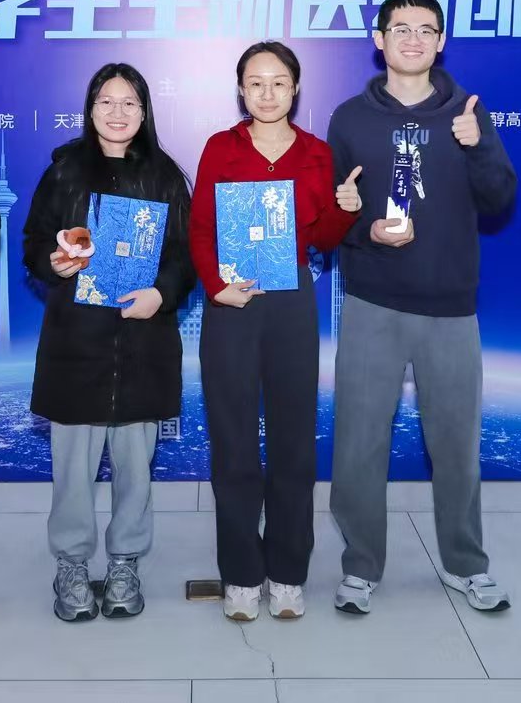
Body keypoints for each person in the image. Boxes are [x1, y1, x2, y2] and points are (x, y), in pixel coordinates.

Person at [325, 0, 518, 616]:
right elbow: (331, 213)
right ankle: (360, 567)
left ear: (441, 41)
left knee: (456, 445)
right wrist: (363, 228)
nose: (413, 39)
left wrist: (478, 144)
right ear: (378, 39)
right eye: (400, 28)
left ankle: (467, 564)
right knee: (358, 445)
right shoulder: (349, 119)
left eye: (426, 29)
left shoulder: (468, 113)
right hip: (372, 302)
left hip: (450, 308)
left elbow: (500, 200)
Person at [188, 41, 358, 621]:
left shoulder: (316, 152)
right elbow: (201, 228)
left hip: (291, 304)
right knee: (233, 441)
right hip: (230, 304)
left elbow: (325, 237)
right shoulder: (221, 147)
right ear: (241, 90)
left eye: (278, 82)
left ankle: (287, 572)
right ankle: (240, 573)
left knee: (293, 443)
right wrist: (216, 286)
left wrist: (346, 208)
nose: (267, 93)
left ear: (295, 88)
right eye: (256, 83)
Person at [22, 63, 195, 621]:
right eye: (106, 102)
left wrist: (161, 294)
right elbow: (33, 242)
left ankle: (125, 561)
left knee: (135, 469)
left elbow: (187, 255)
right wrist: (52, 264)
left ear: (144, 112)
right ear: (90, 109)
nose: (117, 113)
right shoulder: (64, 171)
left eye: (129, 103)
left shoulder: (166, 176)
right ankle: (72, 563)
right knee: (72, 470)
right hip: (78, 345)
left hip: (143, 344)